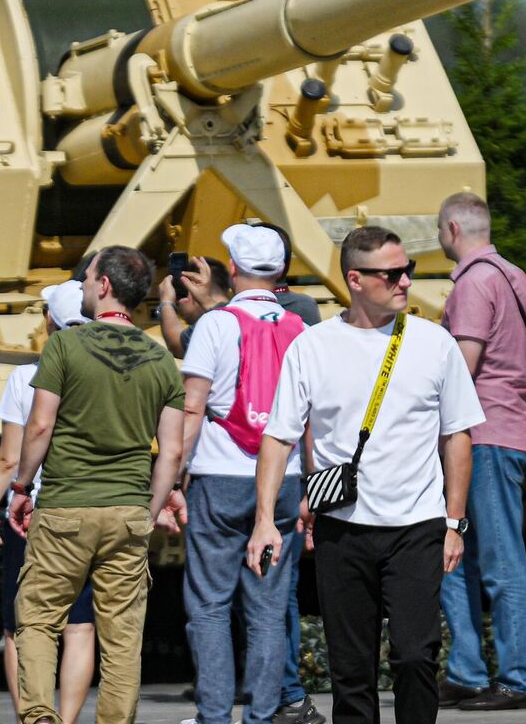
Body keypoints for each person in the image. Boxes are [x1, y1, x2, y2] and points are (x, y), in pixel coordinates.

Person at [250, 226, 484, 724]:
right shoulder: (313, 346)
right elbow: (278, 437)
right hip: (343, 529)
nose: (405, 282)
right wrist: (265, 519)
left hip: (418, 526)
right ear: (355, 279)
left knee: (416, 656)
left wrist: (455, 521)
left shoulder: (434, 342)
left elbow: (458, 434)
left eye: (409, 271)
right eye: (392, 273)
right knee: (351, 672)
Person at [8, 245, 187, 724]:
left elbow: (40, 427)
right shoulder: (162, 359)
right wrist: (149, 510)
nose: (84, 286)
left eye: (88, 278)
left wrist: (22, 487)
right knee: (122, 637)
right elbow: (170, 451)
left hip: (66, 505)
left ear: (104, 285)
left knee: (40, 619)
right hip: (128, 512)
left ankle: (41, 715)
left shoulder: (64, 346)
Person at [179, 224, 310, 724]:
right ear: (279, 273)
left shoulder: (216, 325)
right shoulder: (301, 329)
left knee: (210, 605)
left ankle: (214, 716)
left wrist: (174, 477)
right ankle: (263, 715)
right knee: (269, 607)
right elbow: (313, 418)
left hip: (219, 475)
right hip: (285, 479)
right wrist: (310, 488)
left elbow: (193, 407)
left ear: (231, 270)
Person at [432, 192, 526, 711]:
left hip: (484, 437)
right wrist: (523, 416)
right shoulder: (515, 277)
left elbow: (461, 366)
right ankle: (468, 672)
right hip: (509, 429)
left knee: (497, 561)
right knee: (458, 556)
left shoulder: (474, 282)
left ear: (452, 229)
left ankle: (514, 680)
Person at [0, 280, 97, 724]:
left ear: (50, 322)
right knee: (80, 626)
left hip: (32, 512)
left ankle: (34, 717)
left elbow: (9, 459)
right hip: (90, 505)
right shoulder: (107, 373)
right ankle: (66, 720)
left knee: (20, 625)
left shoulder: (25, 377)